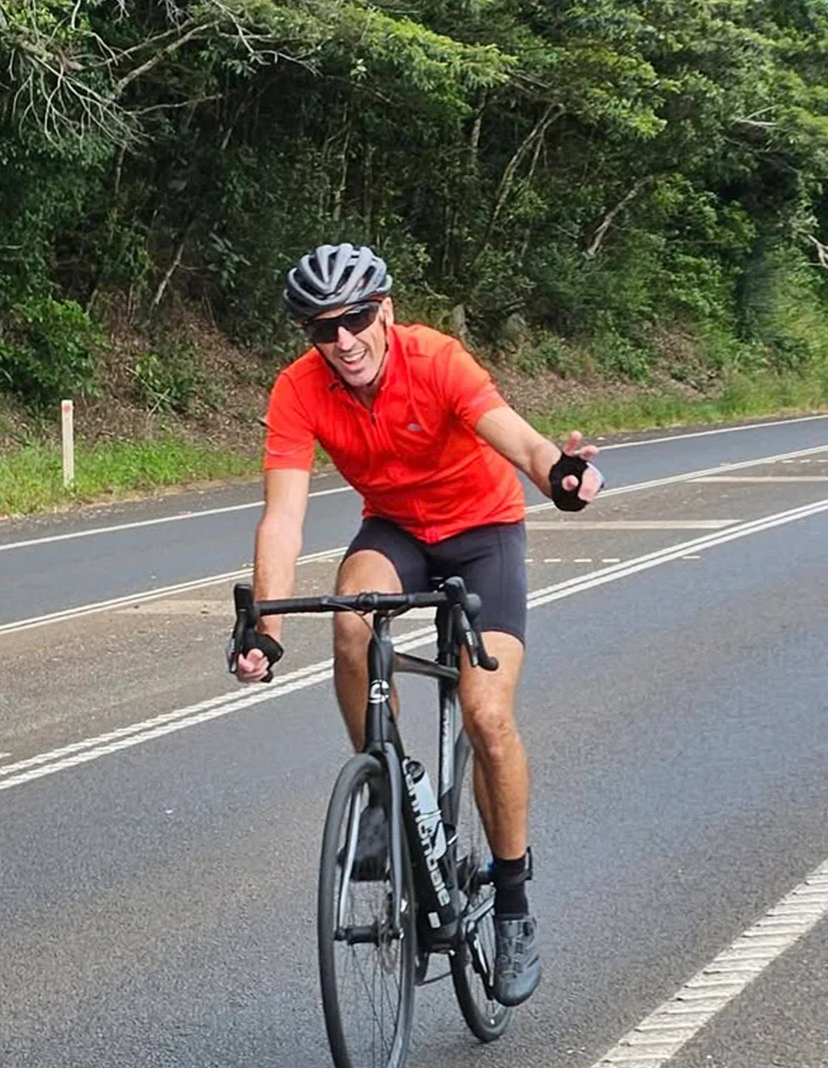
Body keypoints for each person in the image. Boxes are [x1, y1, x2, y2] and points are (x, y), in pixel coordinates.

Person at [230, 242, 603, 1006]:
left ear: (386, 312)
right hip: (397, 531)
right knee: (349, 620)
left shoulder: (437, 360)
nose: (345, 340)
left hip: (482, 532)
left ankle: (513, 902)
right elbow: (282, 518)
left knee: (487, 714)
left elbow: (523, 442)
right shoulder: (300, 390)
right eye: (323, 328)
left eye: (358, 318)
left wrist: (560, 478)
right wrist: (265, 624)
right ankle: (388, 789)